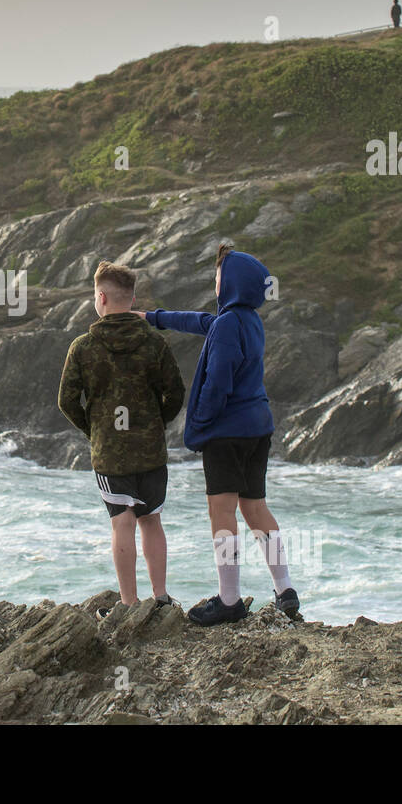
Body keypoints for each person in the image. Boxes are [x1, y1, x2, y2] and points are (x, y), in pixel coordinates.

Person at [138, 244, 300, 626]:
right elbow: (199, 322)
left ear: (232, 283)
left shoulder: (228, 325)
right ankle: (286, 590)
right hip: (258, 428)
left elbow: (218, 383)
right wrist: (151, 317)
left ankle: (229, 600)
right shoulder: (246, 320)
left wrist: (201, 425)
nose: (215, 282)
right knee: (255, 507)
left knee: (221, 512)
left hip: (228, 433)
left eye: (218, 276)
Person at [58, 261, 185, 617]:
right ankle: (160, 596)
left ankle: (128, 604)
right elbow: (175, 393)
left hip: (109, 453)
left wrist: (93, 430)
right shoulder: (154, 343)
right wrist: (155, 424)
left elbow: (67, 401)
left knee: (122, 521)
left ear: (101, 297)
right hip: (150, 450)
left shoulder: (83, 347)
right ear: (131, 299)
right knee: (151, 520)